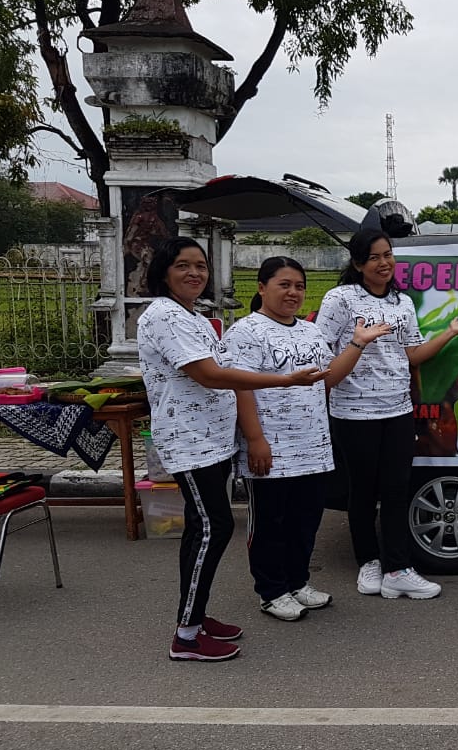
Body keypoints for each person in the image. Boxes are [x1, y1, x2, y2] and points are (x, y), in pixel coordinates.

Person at [137, 238, 327, 662]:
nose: (194, 273)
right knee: (212, 528)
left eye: (201, 265)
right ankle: (186, 635)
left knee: (202, 529)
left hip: (212, 441)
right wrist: (284, 381)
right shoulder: (165, 316)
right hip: (190, 443)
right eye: (183, 265)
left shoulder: (194, 316)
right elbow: (209, 374)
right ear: (164, 270)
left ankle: (197, 618)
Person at [315, 228, 458, 600]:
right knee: (361, 492)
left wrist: (450, 333)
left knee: (395, 490)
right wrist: (358, 343)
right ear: (358, 263)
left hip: (396, 410)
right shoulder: (340, 299)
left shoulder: (402, 303)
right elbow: (320, 354)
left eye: (388, 255)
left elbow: (411, 356)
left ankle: (398, 568)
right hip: (352, 411)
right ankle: (369, 562)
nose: (383, 263)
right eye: (374, 257)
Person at [223, 257, 390, 622]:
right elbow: (239, 387)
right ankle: (271, 591)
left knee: (305, 520)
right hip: (272, 447)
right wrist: (255, 439)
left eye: (299, 286)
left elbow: (329, 378)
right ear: (262, 287)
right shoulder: (245, 332)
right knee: (270, 523)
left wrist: (357, 344)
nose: (293, 293)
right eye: (284, 285)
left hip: (313, 445)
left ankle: (297, 582)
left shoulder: (311, 331)